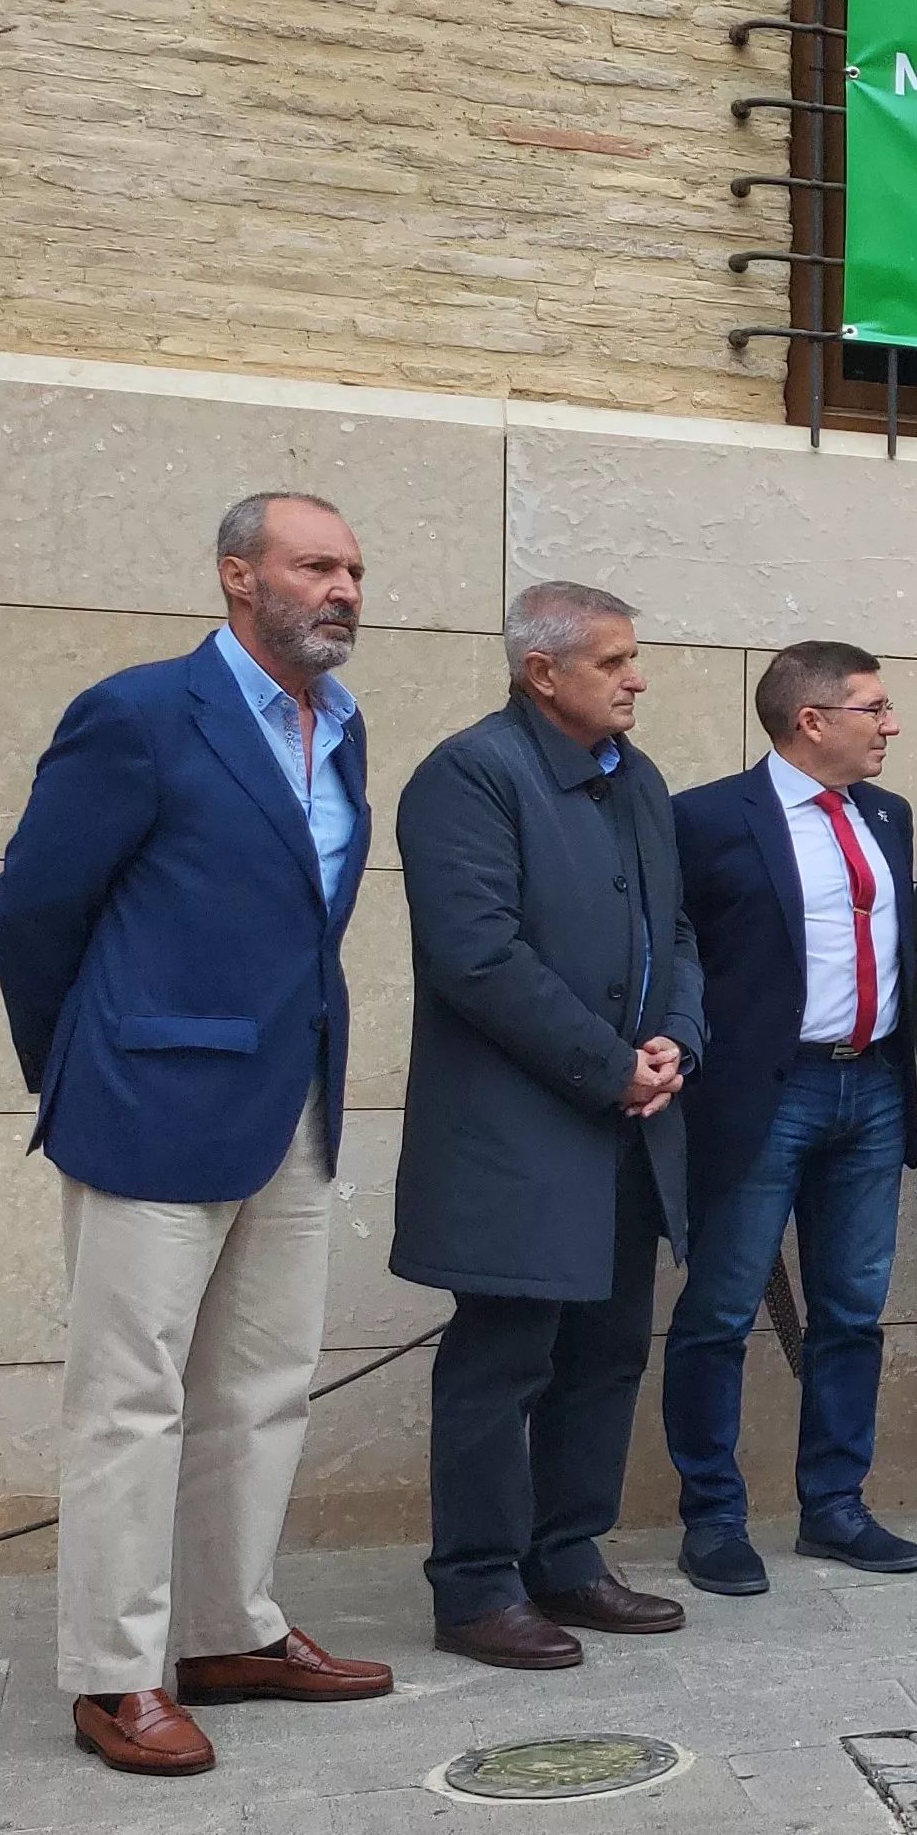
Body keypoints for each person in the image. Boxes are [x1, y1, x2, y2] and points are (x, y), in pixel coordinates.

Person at [0, 491, 394, 1774]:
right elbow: (34, 912)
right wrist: (80, 1068)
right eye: (314, 565)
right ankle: (116, 1674)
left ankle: (229, 1630)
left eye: (354, 570)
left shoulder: (343, 724)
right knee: (129, 1397)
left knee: (263, 1384)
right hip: (145, 1107)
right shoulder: (142, 713)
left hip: (289, 1102)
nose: (342, 588)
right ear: (237, 576)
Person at [394, 581, 705, 1670]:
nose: (637, 677)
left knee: (608, 1351)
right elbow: (476, 956)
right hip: (517, 1136)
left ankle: (567, 1556)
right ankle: (476, 1585)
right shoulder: (471, 774)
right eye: (614, 660)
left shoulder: (640, 778)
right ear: (542, 673)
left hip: (629, 1125)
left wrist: (676, 1040)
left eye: (634, 656)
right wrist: (609, 1064)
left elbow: (673, 931)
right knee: (505, 1356)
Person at [660, 641, 917, 1597]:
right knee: (719, 1313)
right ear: (811, 721)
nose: (891, 725)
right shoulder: (706, 818)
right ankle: (714, 1518)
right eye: (875, 707)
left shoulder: (886, 815)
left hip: (875, 1090)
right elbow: (672, 952)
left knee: (852, 1311)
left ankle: (835, 1506)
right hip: (764, 1096)